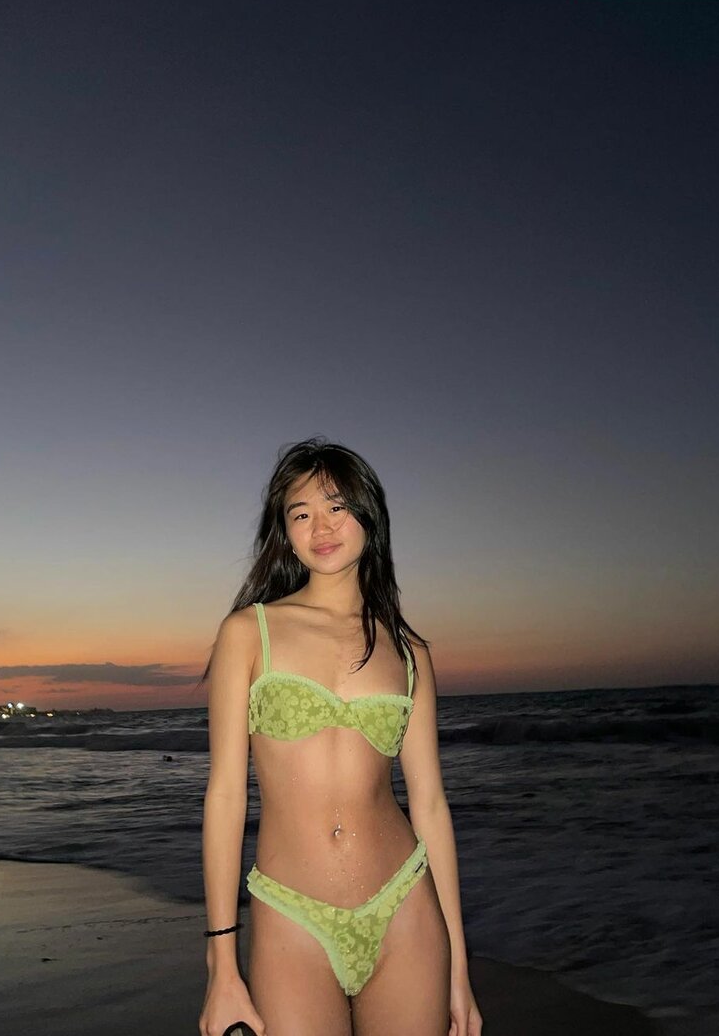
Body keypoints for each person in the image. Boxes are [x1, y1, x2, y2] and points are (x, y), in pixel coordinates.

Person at [199, 438, 482, 1036]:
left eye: (336, 506)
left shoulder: (409, 651)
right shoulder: (249, 633)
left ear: (368, 516)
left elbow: (430, 804)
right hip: (290, 912)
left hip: (404, 904)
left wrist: (459, 970)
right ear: (285, 532)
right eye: (301, 513)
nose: (321, 527)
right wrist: (221, 965)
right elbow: (225, 795)